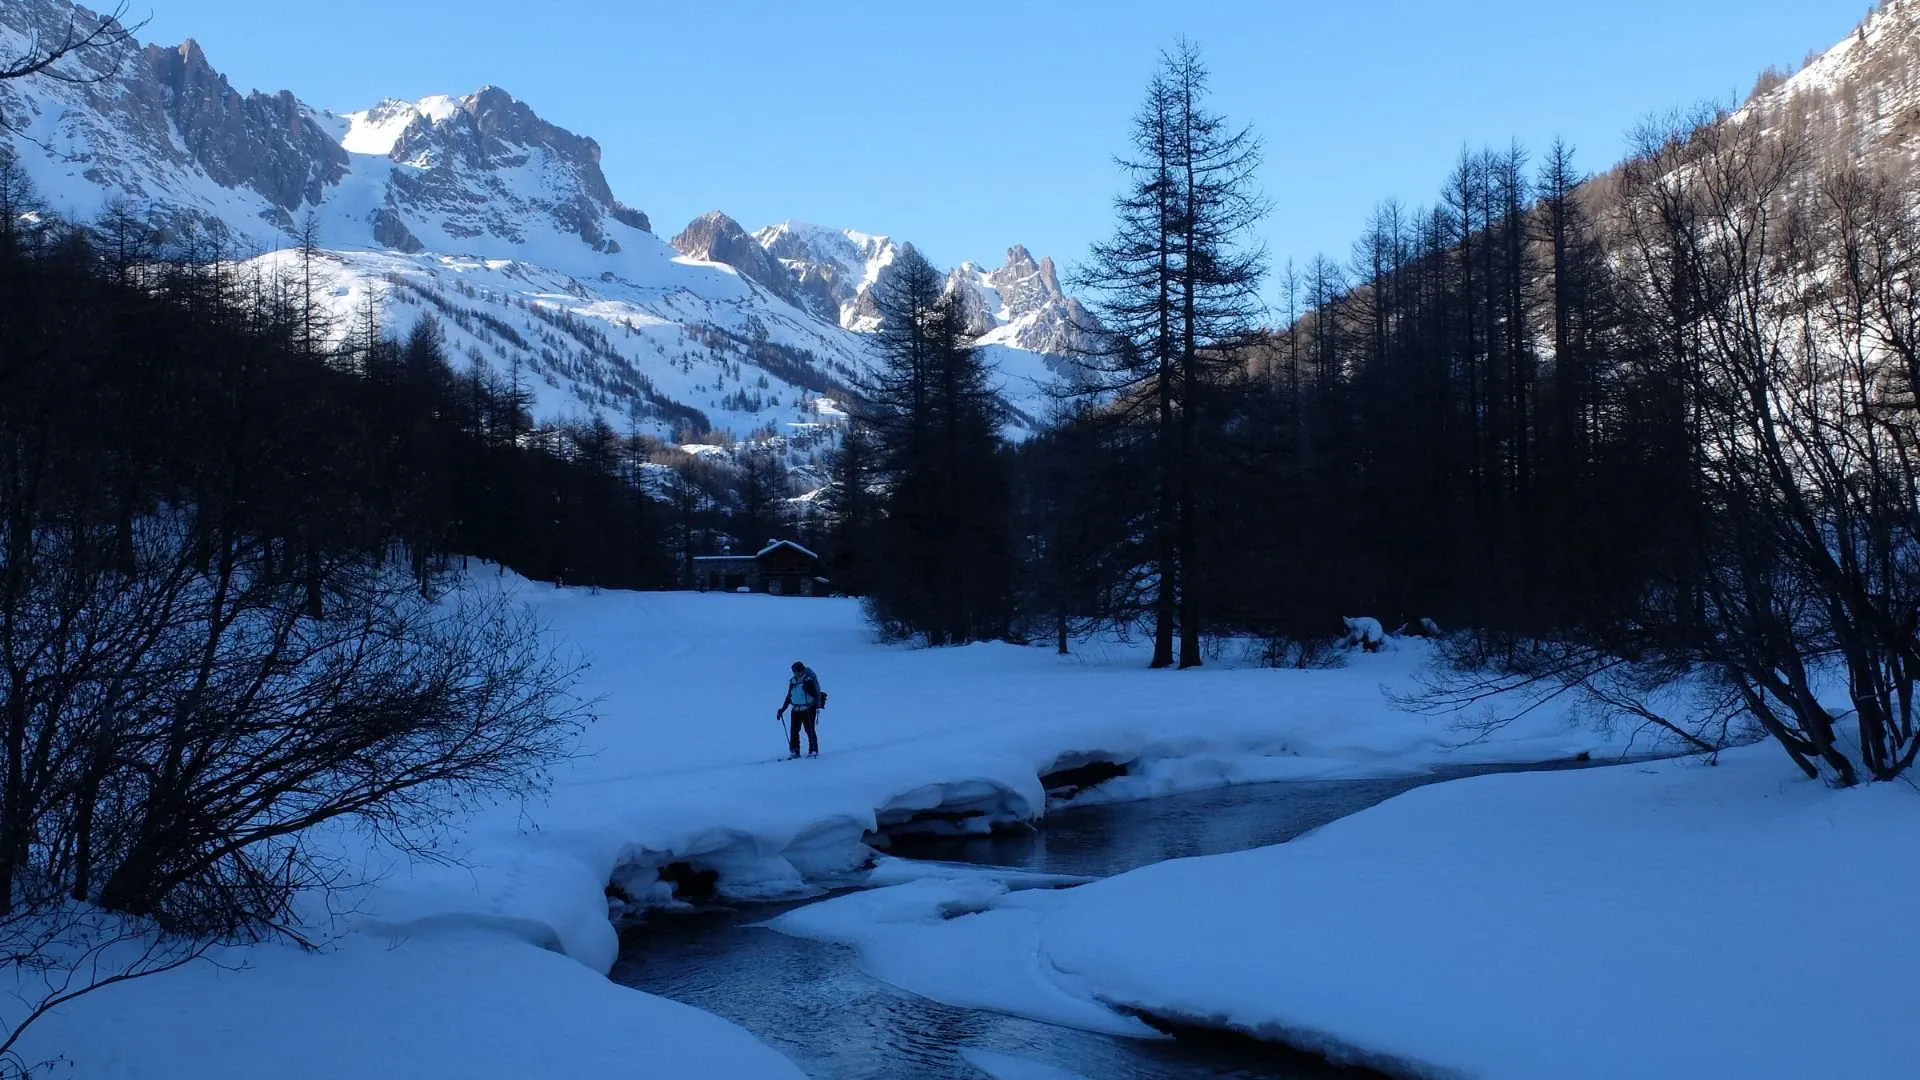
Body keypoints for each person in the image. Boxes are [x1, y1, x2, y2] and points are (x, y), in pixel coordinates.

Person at [776, 660, 825, 758]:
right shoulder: (793, 682)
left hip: (808, 709)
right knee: (794, 731)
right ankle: (795, 750)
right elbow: (789, 696)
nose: (797, 673)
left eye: (798, 670)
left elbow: (815, 695)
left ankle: (813, 750)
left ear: (802, 670)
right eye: (795, 671)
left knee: (810, 730)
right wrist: (782, 709)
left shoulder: (808, 681)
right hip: (795, 710)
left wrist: (809, 689)